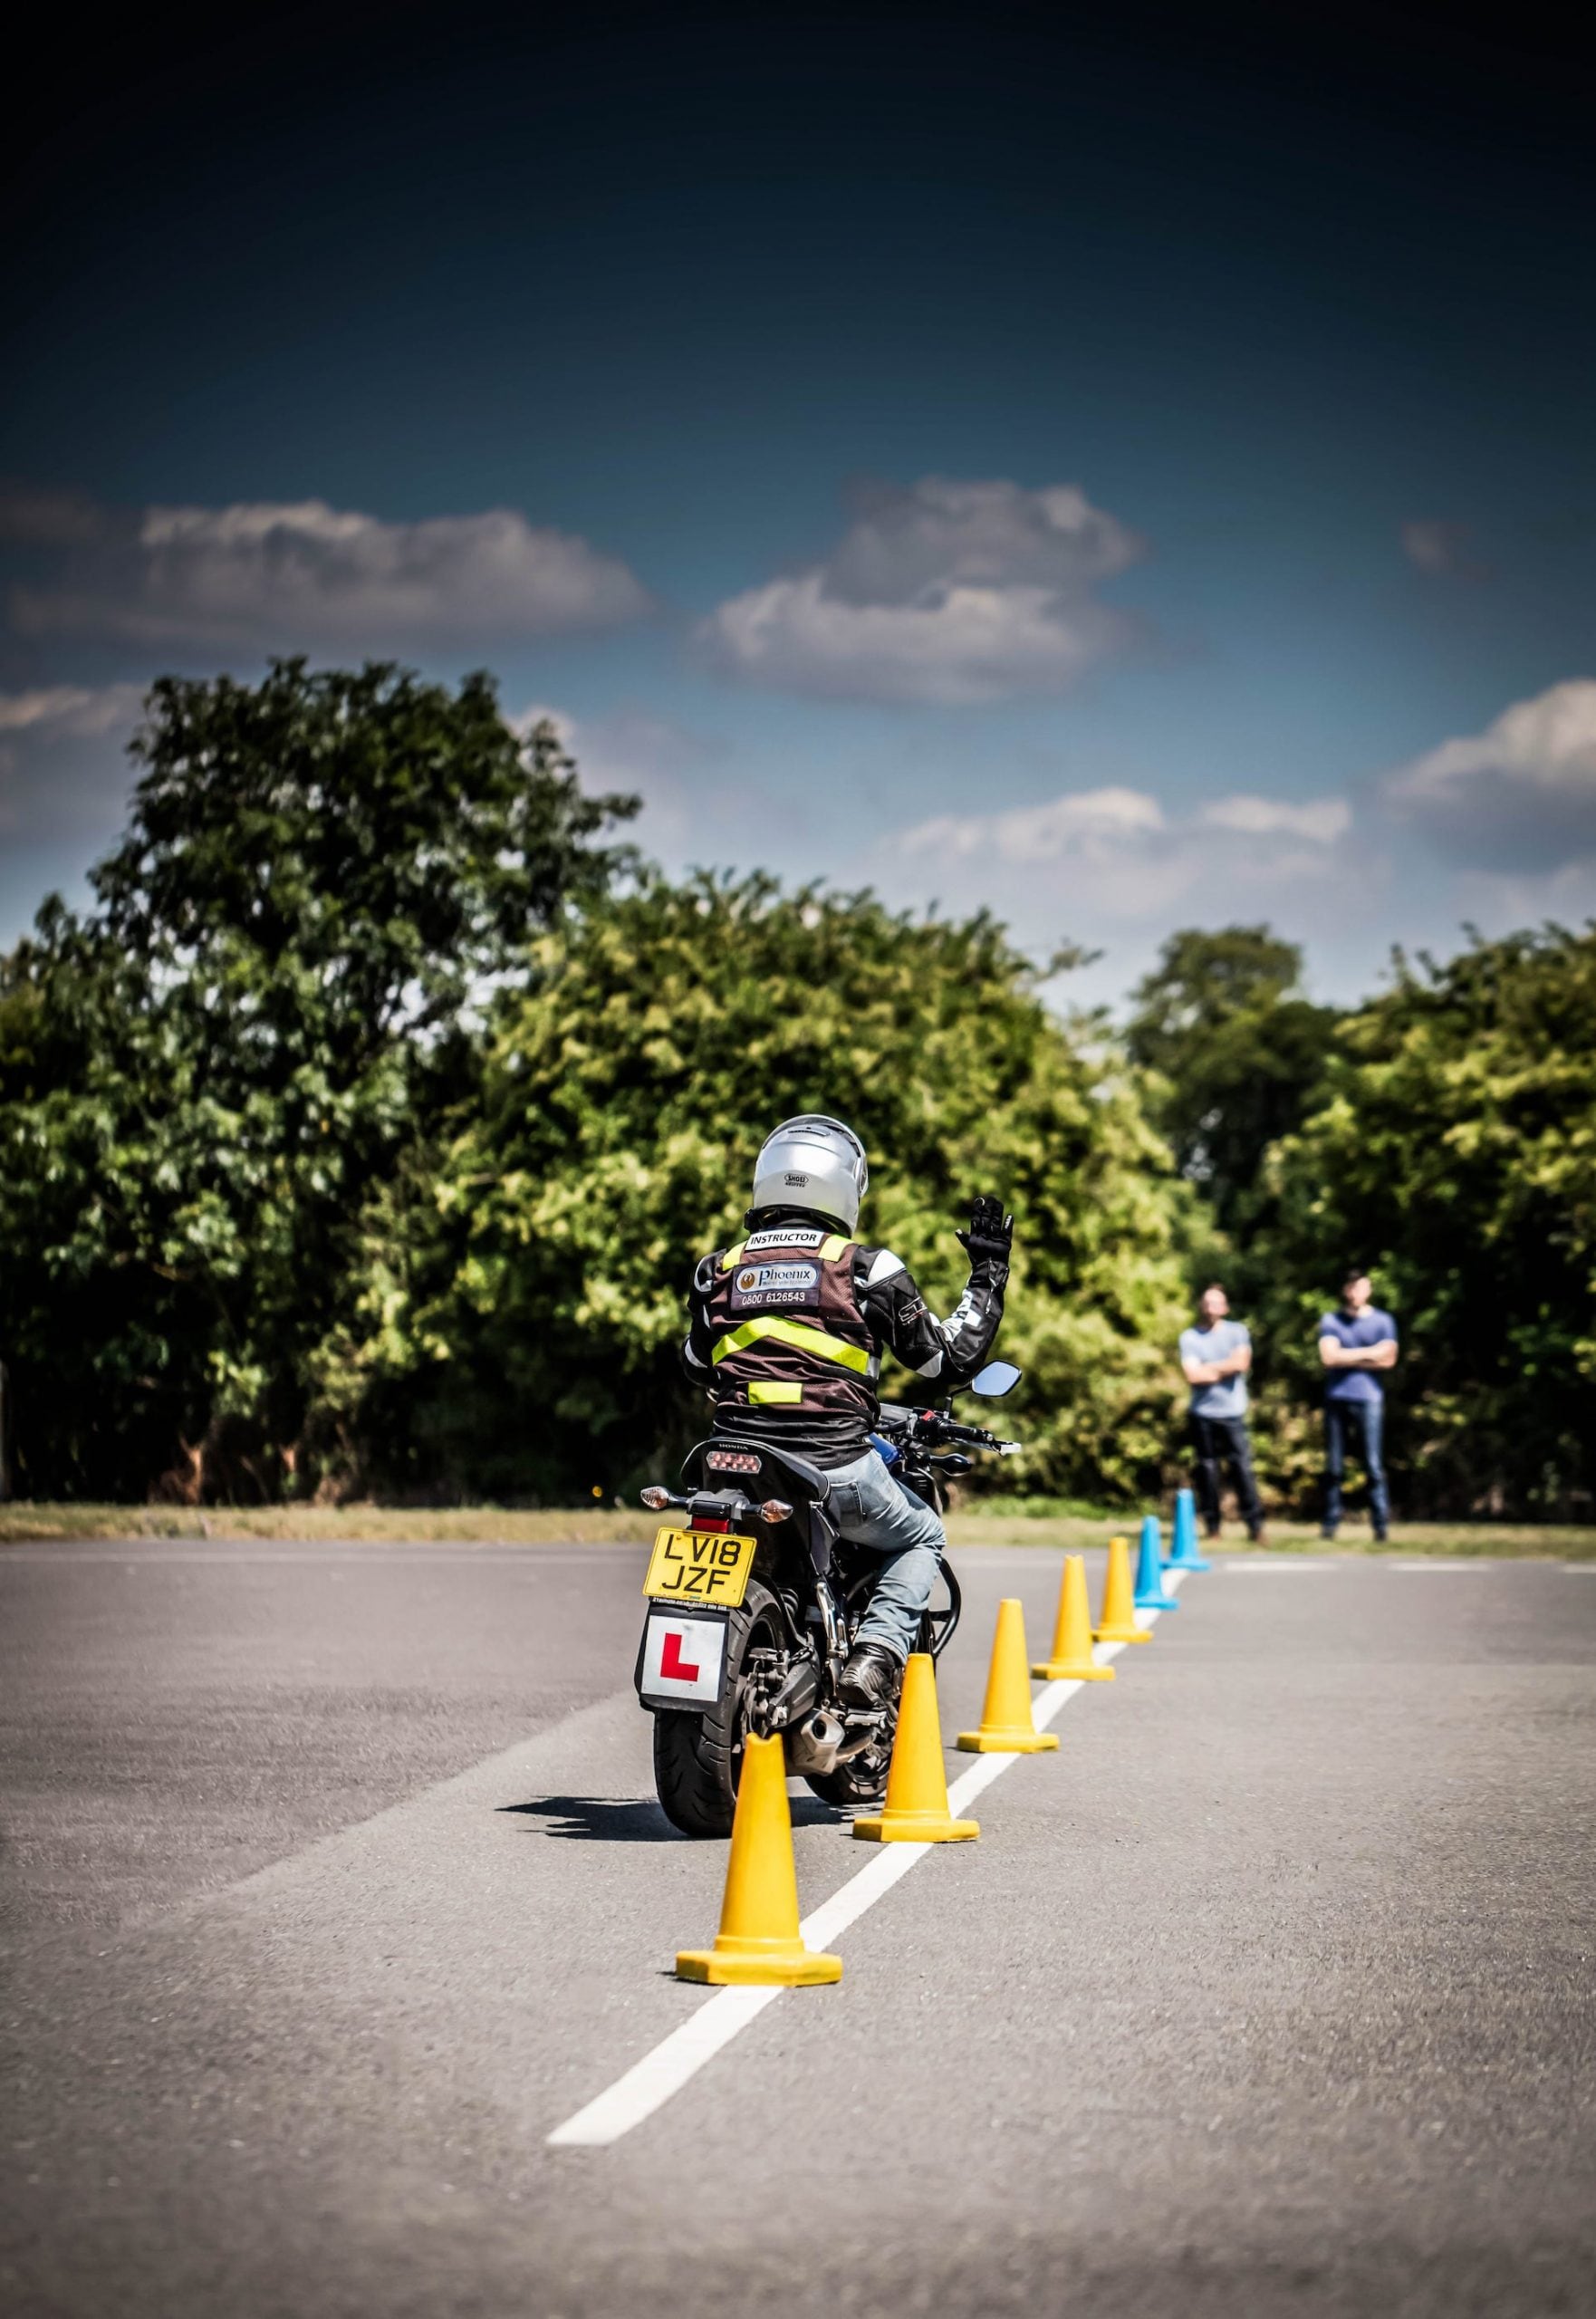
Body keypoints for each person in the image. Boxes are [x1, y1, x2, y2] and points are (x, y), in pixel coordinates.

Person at [681, 1114, 1010, 1707]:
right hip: (831, 1466)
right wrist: (988, 1273)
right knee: (922, 1538)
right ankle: (877, 1654)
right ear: (844, 1186)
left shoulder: (717, 1271)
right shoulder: (865, 1268)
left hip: (727, 1463)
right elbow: (947, 1360)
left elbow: (697, 1363)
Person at [1178, 1283, 1265, 1544]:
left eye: (1217, 1302)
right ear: (1201, 1307)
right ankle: (1212, 1527)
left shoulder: (1237, 1332)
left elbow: (1241, 1363)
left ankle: (1255, 1526)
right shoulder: (1190, 1337)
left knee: (1242, 1469)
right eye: (1207, 1302)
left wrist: (1209, 1368)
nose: (1211, 1307)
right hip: (1202, 1413)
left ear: (1225, 1307)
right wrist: (1223, 1368)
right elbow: (1193, 1375)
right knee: (1207, 1470)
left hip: (1232, 1412)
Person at [1318, 1269, 1399, 1539]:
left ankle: (1380, 1526)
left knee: (1373, 1465)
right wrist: (1369, 1353)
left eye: (1360, 1287)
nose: (1356, 1293)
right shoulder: (1332, 1320)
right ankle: (1330, 1525)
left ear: (1369, 1290)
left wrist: (1346, 1355)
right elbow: (1328, 1358)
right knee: (1334, 1466)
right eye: (1351, 1287)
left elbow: (1388, 1360)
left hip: (1369, 1399)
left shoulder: (1383, 1321)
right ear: (1345, 1290)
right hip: (1337, 1398)